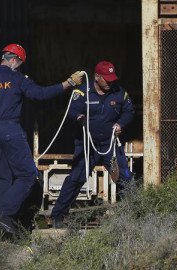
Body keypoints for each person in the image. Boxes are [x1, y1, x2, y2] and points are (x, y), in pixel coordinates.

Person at [0, 43, 84, 235]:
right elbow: (41, 94)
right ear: (13, 60)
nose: (19, 68)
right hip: (10, 130)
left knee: (1, 180)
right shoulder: (18, 79)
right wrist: (68, 83)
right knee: (27, 176)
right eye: (19, 64)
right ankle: (4, 216)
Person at [50, 61, 134, 228]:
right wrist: (79, 117)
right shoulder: (82, 91)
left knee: (125, 177)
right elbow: (72, 110)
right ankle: (58, 215)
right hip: (87, 144)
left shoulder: (119, 92)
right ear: (97, 77)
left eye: (112, 79)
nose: (110, 82)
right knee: (76, 179)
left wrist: (120, 124)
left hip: (110, 143)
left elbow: (128, 111)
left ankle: (133, 214)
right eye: (107, 79)